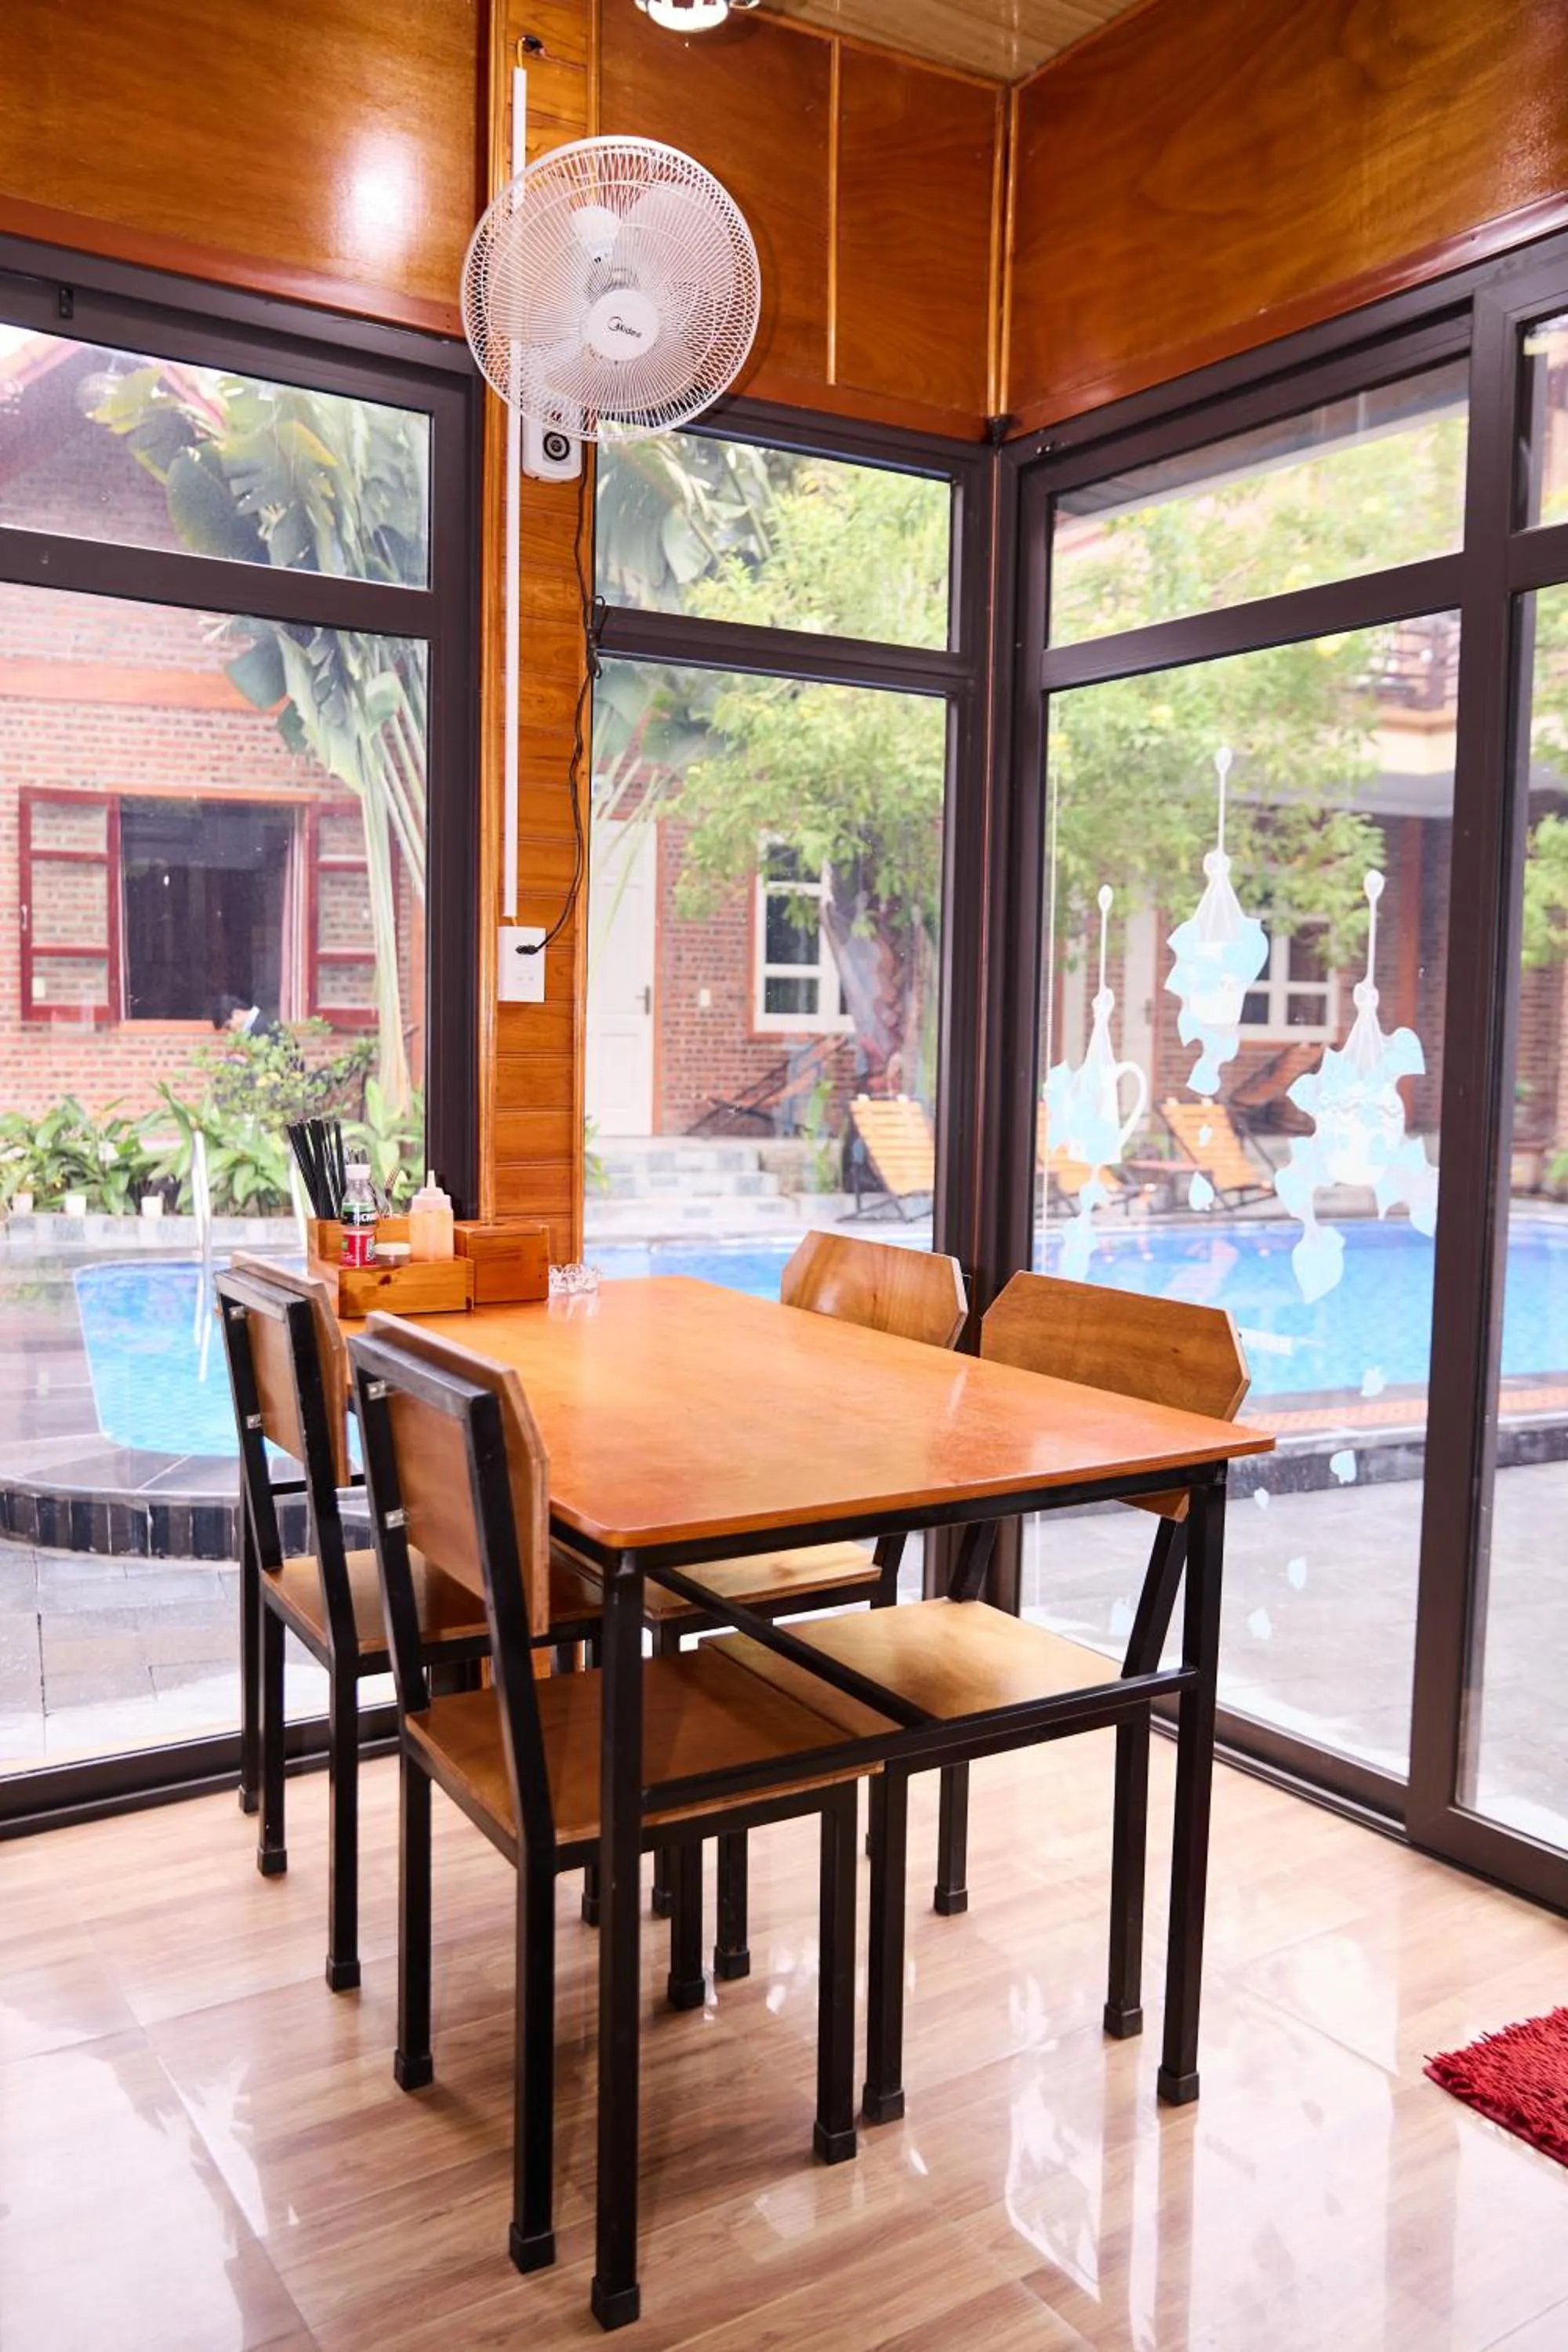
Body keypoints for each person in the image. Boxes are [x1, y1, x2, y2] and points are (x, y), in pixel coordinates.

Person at [211, 993, 284, 1041]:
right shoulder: (263, 1019)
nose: (232, 1032)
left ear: (236, 1014)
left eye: (229, 1027)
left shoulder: (259, 1028)